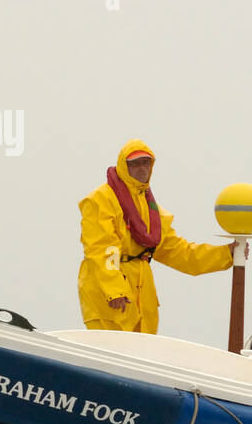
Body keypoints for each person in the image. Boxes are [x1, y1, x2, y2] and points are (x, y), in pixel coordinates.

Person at [77, 140, 238, 334]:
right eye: (135, 164)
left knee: (140, 357)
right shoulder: (100, 199)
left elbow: (176, 251)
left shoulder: (150, 207)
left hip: (143, 294)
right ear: (123, 166)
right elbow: (102, 249)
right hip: (107, 295)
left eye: (146, 163)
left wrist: (226, 254)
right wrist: (115, 290)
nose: (141, 168)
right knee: (110, 354)